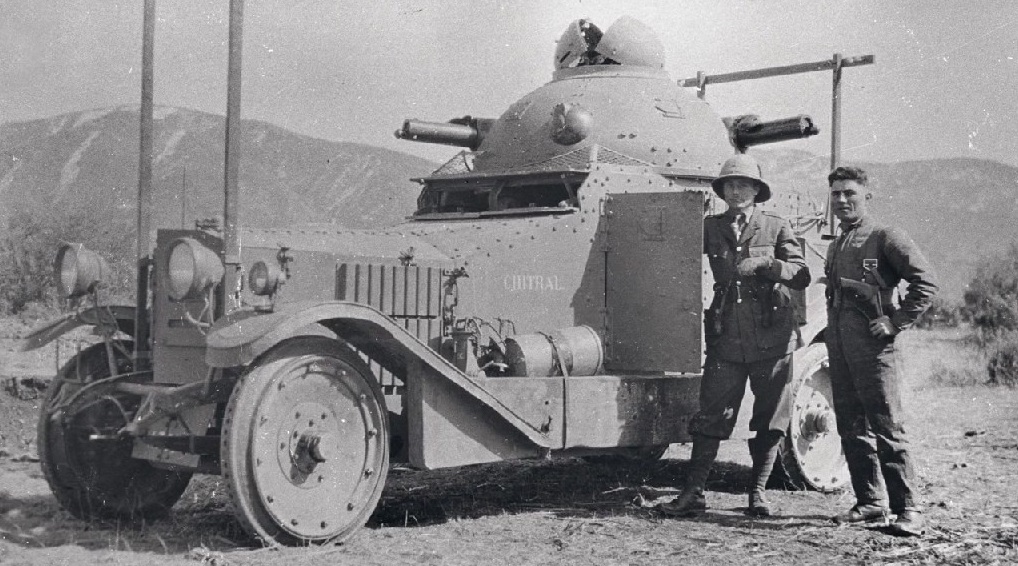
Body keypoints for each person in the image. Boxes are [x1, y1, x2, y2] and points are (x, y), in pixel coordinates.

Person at [658, 153, 810, 518]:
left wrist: (768, 265)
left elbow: (801, 273)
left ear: (757, 190)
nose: (737, 190)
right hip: (727, 336)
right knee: (711, 414)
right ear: (722, 190)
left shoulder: (775, 226)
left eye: (744, 184)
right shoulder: (710, 227)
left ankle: (757, 493)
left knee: (771, 417)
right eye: (730, 184)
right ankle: (693, 494)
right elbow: (674, 254)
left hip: (772, 337)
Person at [824, 166, 937, 536]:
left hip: (875, 352)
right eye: (836, 194)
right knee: (851, 428)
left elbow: (926, 283)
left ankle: (909, 510)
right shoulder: (837, 242)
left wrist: (896, 320)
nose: (842, 200)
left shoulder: (886, 236)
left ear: (866, 197)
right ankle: (871, 503)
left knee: (888, 429)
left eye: (850, 194)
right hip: (841, 352)